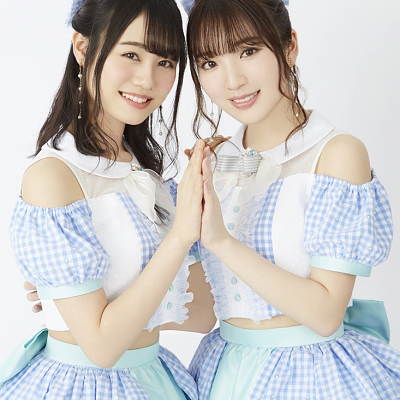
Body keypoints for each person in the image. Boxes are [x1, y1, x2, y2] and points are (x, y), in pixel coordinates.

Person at [0, 0, 217, 399]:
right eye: (131, 54)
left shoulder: (146, 173)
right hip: (83, 385)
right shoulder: (54, 177)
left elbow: (202, 315)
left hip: (154, 378)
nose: (147, 79)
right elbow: (101, 348)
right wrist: (179, 237)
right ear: (83, 48)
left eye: (165, 62)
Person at [186, 0, 400, 399]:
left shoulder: (335, 154)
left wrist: (221, 241)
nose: (232, 81)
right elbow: (200, 311)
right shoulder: (215, 161)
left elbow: (326, 313)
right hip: (223, 373)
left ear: (290, 46)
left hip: (312, 375)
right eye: (209, 62)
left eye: (248, 51)